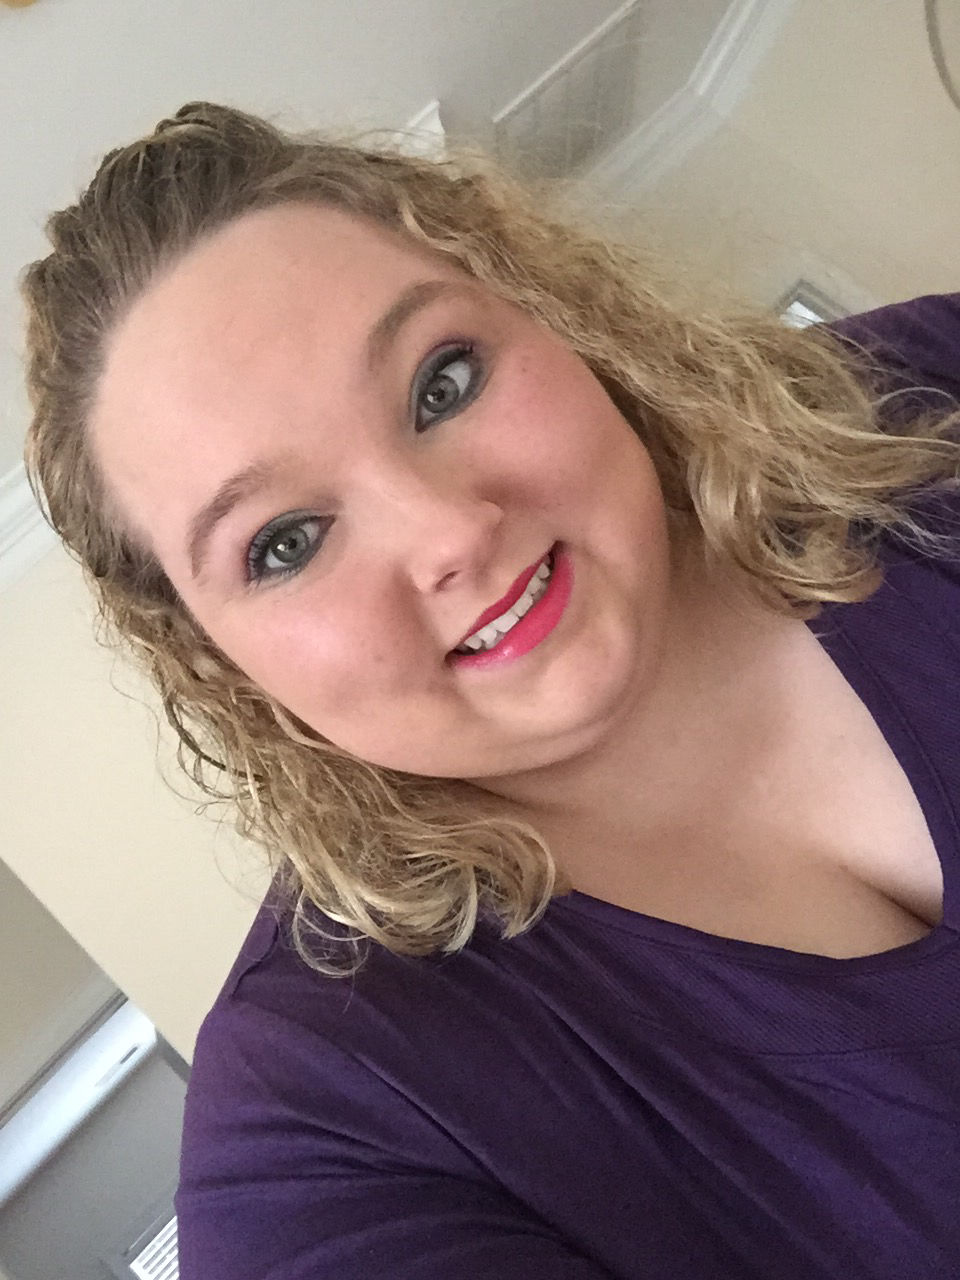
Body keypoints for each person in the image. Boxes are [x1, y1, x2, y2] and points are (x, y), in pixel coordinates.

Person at [21, 101, 960, 1279]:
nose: (450, 532)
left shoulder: (915, 401)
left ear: (550, 312)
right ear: (218, 662)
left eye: (443, 382)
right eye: (285, 542)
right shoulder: (326, 1126)